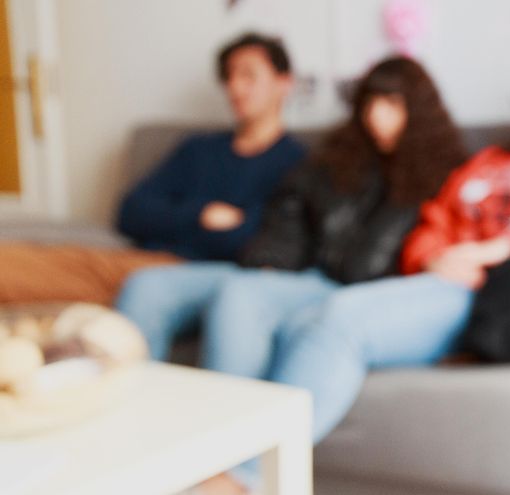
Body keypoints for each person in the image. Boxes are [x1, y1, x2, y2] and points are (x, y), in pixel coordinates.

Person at [209, 53, 510, 450]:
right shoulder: (489, 162)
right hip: (443, 282)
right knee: (301, 320)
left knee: (335, 322)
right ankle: (233, 456)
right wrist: (433, 257)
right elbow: (432, 222)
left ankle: (245, 474)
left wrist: (500, 247)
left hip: (499, 295)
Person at [116, 57, 466, 365]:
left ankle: (235, 432)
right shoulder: (339, 156)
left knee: (241, 297)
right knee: (145, 286)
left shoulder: (440, 173)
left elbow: (399, 256)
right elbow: (289, 208)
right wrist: (270, 259)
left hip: (342, 289)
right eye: (370, 103)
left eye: (391, 103)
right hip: (287, 270)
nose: (377, 116)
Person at [0, 32, 305, 305]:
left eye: (249, 76)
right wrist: (200, 214)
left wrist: (176, 221)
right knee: (18, 262)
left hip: (197, 274)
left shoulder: (296, 162)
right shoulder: (198, 149)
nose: (235, 87)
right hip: (141, 259)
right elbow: (130, 211)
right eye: (229, 77)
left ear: (284, 83)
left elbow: (254, 241)